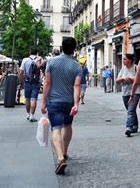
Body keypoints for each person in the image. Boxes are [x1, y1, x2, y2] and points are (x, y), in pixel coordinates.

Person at [41, 37, 82, 175]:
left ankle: (60, 158)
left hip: (54, 101)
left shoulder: (51, 62)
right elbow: (77, 85)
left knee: (56, 129)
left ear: (61, 47)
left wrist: (43, 102)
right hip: (69, 102)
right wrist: (76, 104)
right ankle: (64, 152)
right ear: (74, 49)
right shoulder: (77, 66)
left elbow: (47, 83)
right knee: (68, 126)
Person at [116, 54, 140, 137]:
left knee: (130, 110)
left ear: (129, 60)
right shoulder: (123, 69)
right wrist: (123, 79)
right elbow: (117, 79)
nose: (123, 60)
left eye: (124, 59)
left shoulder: (136, 68)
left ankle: (129, 127)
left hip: (135, 92)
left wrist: (131, 79)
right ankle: (135, 125)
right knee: (131, 110)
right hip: (125, 93)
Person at [19, 48, 42, 122]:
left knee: (28, 99)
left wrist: (21, 81)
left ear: (29, 52)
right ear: (37, 53)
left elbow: (21, 72)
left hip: (27, 81)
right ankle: (32, 115)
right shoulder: (39, 60)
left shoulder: (25, 60)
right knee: (34, 99)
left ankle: (28, 114)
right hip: (36, 82)